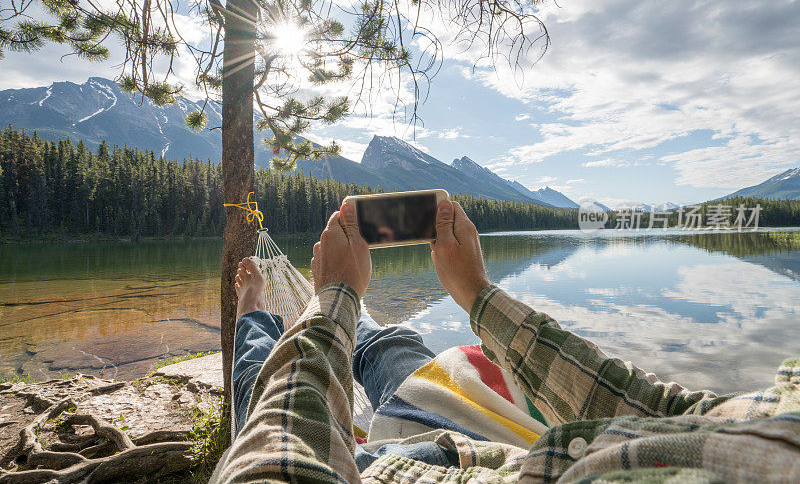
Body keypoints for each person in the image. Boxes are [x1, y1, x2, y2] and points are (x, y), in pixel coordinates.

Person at [212, 200, 800, 483]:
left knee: (263, 393)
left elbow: (271, 471)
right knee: (389, 344)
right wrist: (479, 297)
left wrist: (336, 293)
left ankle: (257, 313)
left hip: (418, 468)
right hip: (479, 414)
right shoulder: (786, 413)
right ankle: (344, 312)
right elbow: (665, 411)